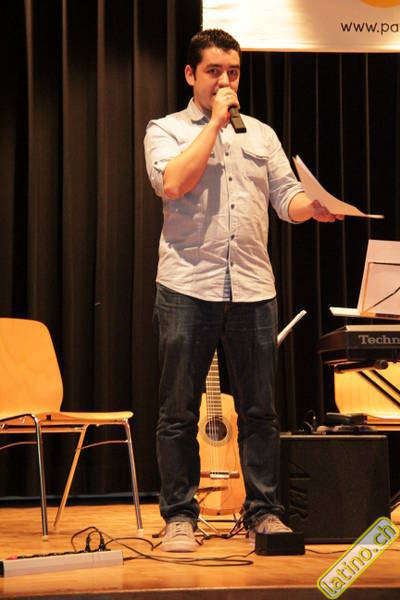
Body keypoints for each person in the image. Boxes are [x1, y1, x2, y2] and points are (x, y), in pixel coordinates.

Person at [144, 29, 343, 552]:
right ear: (191, 75)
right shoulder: (165, 130)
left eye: (232, 72)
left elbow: (285, 197)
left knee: (260, 412)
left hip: (253, 286)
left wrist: (311, 207)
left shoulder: (262, 135)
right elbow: (173, 183)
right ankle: (180, 516)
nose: (225, 81)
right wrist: (214, 124)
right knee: (178, 412)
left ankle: (264, 513)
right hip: (188, 284)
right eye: (214, 71)